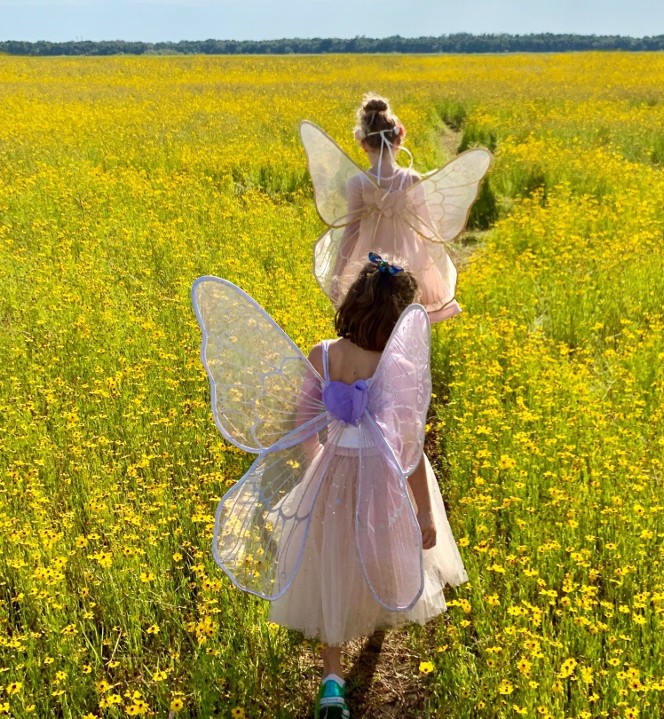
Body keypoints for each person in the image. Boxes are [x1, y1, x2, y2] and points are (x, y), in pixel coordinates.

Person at [191, 256, 467, 719]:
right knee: (382, 547)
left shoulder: (324, 354)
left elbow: (303, 424)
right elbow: (409, 446)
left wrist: (315, 466)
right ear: (401, 319)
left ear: (352, 303)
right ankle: (381, 614)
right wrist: (422, 511)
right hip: (382, 477)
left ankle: (332, 682)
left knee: (331, 567)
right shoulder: (395, 363)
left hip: (333, 472)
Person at [301, 94, 492, 324]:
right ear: (398, 140)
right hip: (409, 261)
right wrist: (439, 268)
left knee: (372, 320)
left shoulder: (357, 183)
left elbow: (350, 233)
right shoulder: (411, 180)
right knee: (407, 317)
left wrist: (339, 275)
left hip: (368, 264)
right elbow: (427, 229)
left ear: (363, 144)